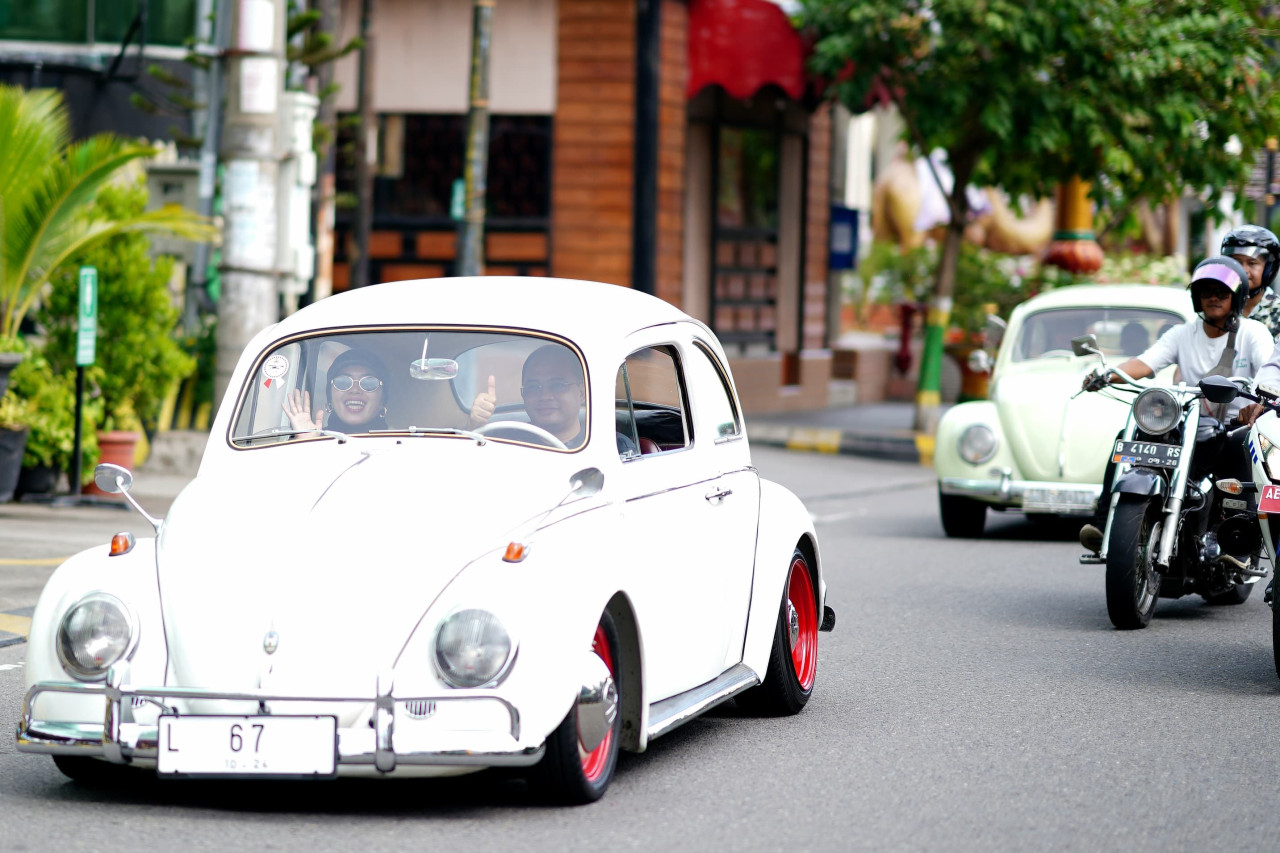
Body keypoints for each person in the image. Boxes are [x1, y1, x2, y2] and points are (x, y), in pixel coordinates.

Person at [1078, 256, 1272, 553]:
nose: (1213, 298)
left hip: (1235, 424)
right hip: (1191, 420)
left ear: (1237, 297)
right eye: (1206, 291)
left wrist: (1259, 400)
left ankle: (1233, 536)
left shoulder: (1252, 333)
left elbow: (1268, 373)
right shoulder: (1183, 333)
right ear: (1196, 297)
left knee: (1243, 444)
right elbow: (1145, 362)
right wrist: (1106, 374)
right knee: (1129, 437)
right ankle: (1106, 523)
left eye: (1222, 292)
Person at [468, 344, 638, 454]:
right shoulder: (503, 442)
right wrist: (474, 426)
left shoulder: (613, 447)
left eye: (558, 385)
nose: (545, 396)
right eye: (534, 387)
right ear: (523, 395)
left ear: (581, 393)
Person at [283, 346, 391, 433]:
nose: (355, 389)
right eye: (343, 382)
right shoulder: (315, 440)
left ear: (382, 400)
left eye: (368, 382)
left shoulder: (401, 442)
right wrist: (305, 442)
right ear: (330, 397)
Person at [1222, 225, 1280, 338]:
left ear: (1269, 269)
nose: (1243, 270)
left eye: (1252, 263)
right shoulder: (1218, 306)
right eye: (1236, 262)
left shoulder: (1277, 313)